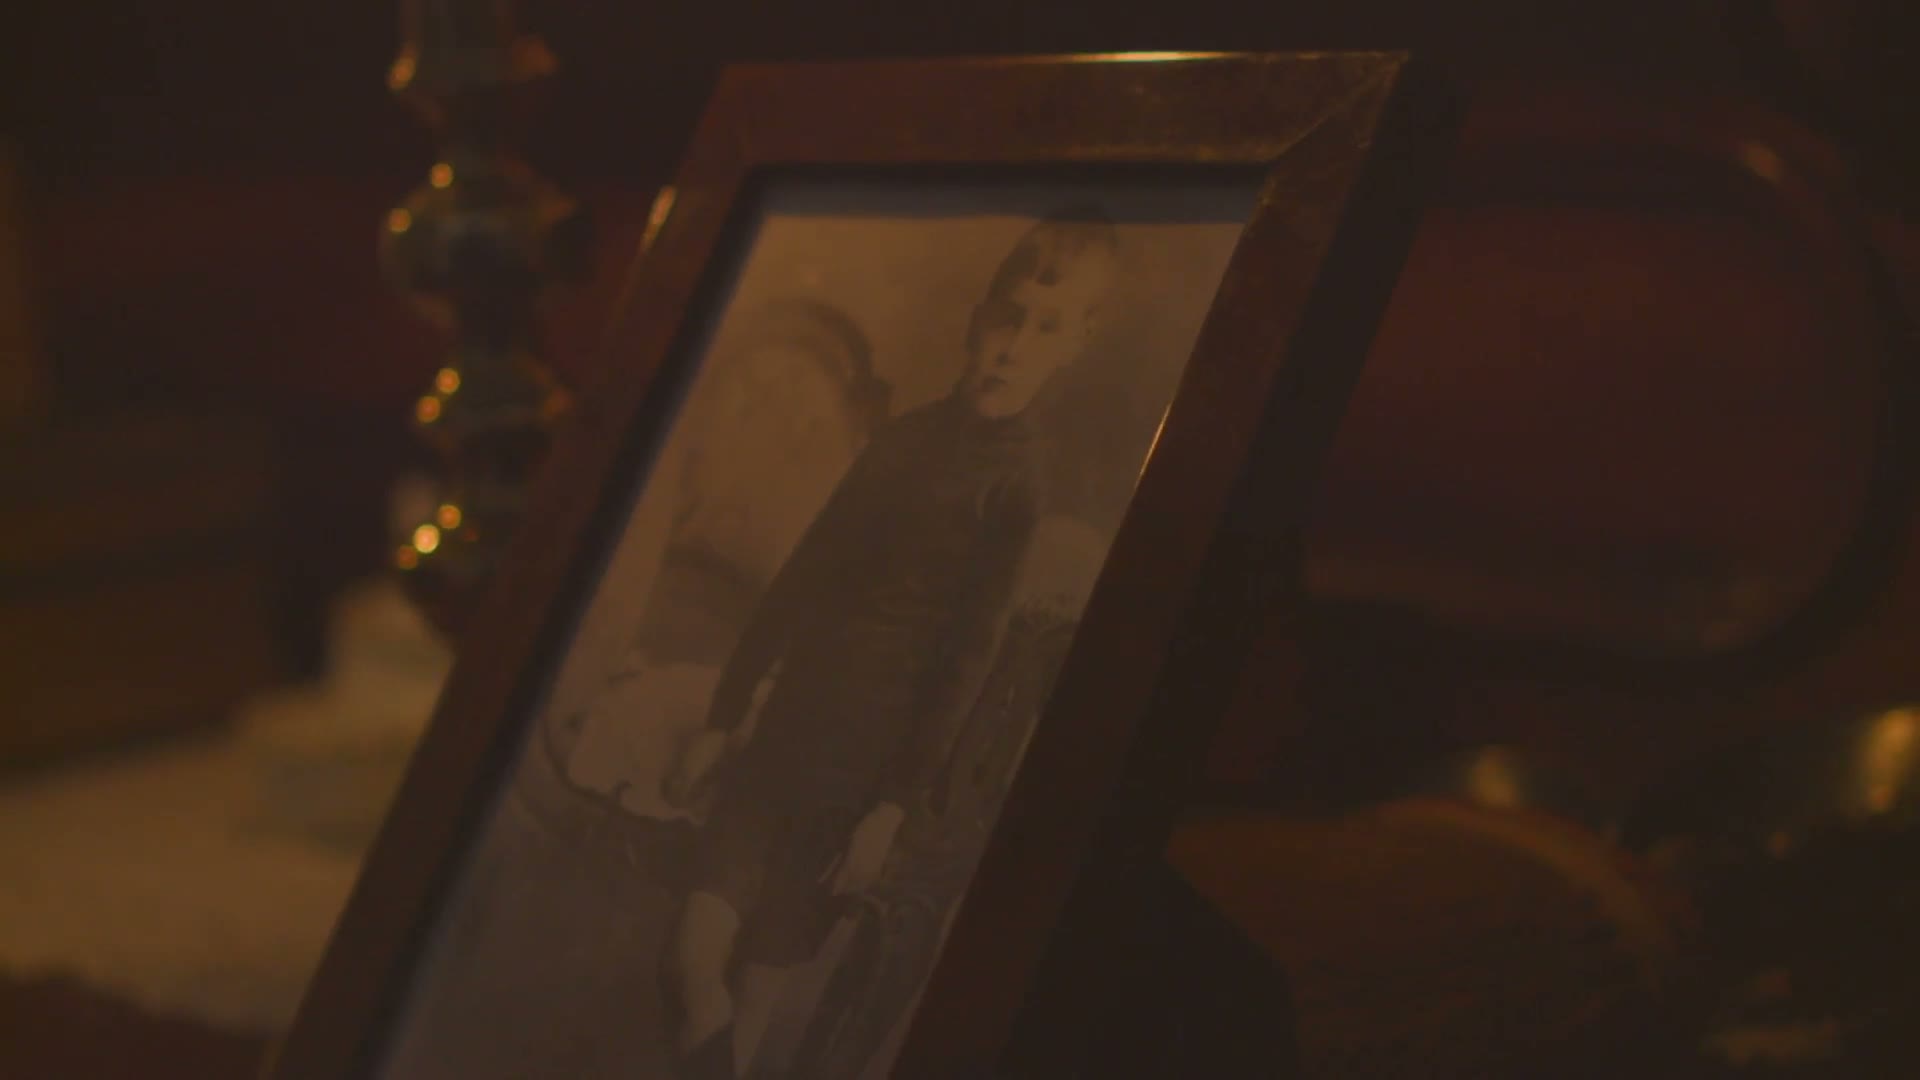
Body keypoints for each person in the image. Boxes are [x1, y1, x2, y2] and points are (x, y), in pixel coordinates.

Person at [656, 204, 1121, 1078]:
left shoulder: (1019, 484)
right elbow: (804, 575)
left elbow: (968, 658)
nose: (1014, 347)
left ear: (1076, 345)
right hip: (788, 734)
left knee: (760, 990)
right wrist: (725, 714)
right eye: (1008, 318)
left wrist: (892, 807)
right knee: (692, 956)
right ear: (978, 322)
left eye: (1046, 329)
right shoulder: (903, 441)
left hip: (863, 770)